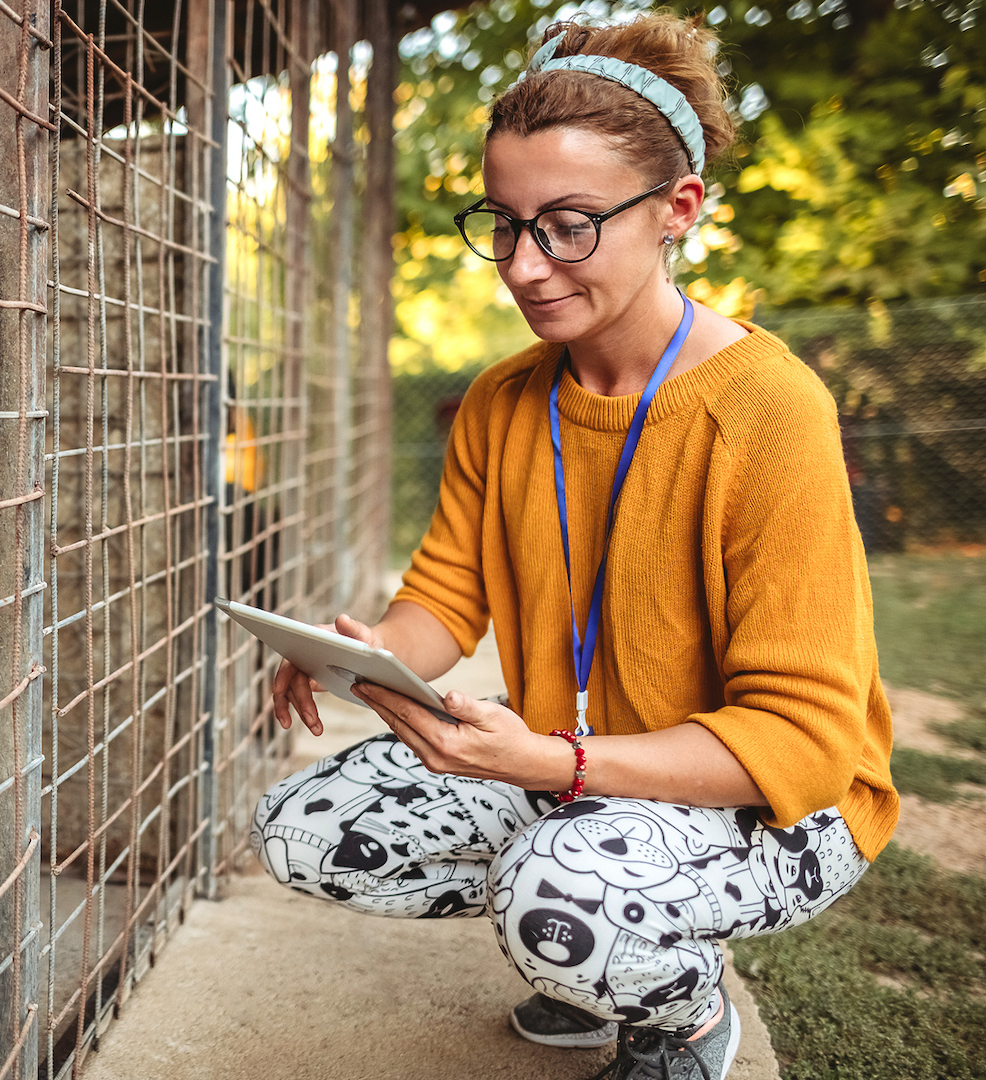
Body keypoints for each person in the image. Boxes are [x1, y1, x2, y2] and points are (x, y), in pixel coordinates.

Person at [251, 12, 896, 1080]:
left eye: (570, 224)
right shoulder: (506, 399)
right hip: (578, 765)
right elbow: (445, 599)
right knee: (304, 825)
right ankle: (588, 942)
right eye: (503, 223)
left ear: (677, 210)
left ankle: (676, 1010)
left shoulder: (771, 408)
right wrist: (359, 652)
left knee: (556, 893)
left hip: (778, 805)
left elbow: (804, 740)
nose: (526, 265)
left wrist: (554, 766)